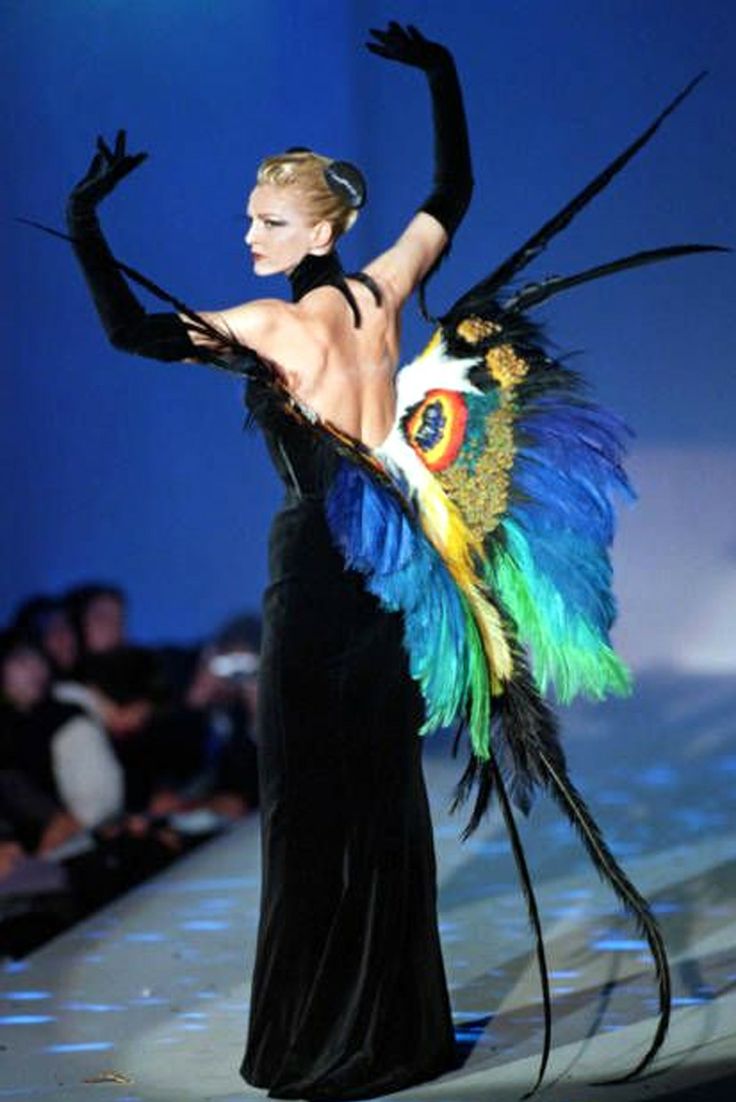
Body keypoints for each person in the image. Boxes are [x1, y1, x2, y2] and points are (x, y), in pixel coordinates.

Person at [61, 21, 471, 1100]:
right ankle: (397, 1030)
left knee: (304, 800)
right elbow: (452, 190)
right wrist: (439, 74)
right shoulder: (383, 296)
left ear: (324, 225)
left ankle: (316, 1040)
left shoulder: (265, 325)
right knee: (381, 795)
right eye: (249, 217)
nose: (249, 233)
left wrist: (81, 222)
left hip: (314, 570)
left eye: (269, 219)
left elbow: (130, 336)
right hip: (391, 564)